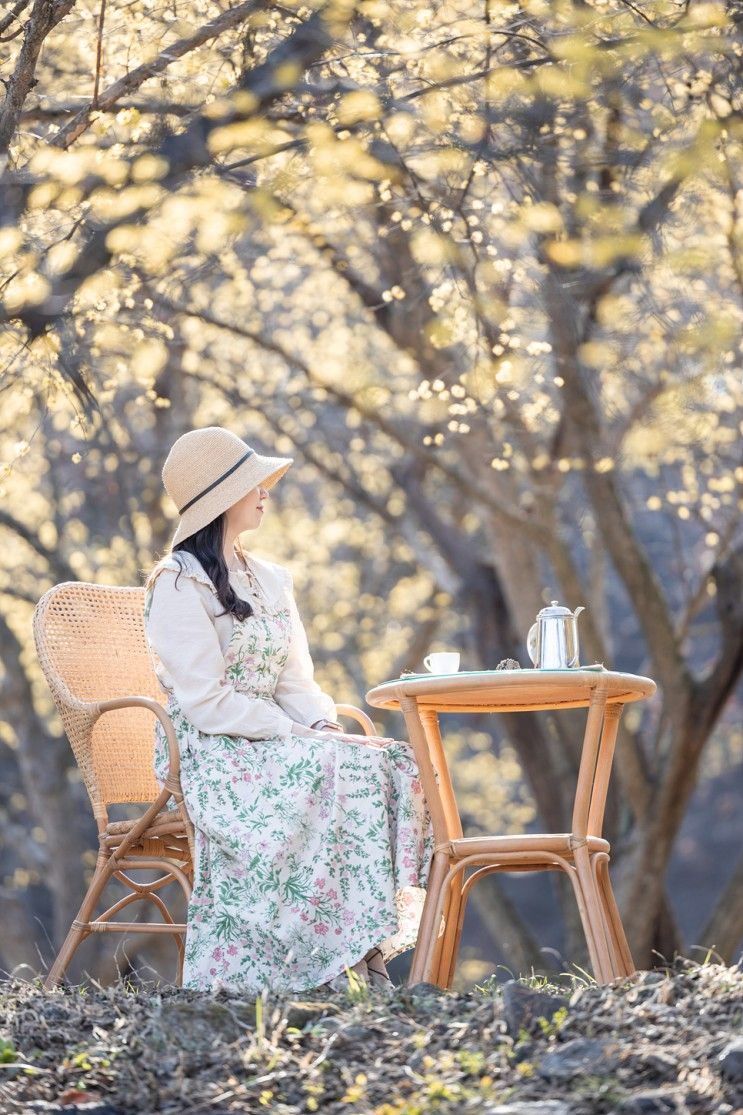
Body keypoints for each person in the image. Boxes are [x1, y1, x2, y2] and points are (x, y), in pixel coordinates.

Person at [144, 426, 433, 994]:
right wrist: (294, 735)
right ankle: (314, 965)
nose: (265, 491)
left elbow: (296, 680)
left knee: (386, 760)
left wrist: (323, 724)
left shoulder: (272, 580)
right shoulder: (176, 585)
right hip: (214, 748)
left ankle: (360, 948)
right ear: (220, 498)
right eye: (252, 483)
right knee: (323, 768)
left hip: (281, 736)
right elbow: (206, 702)